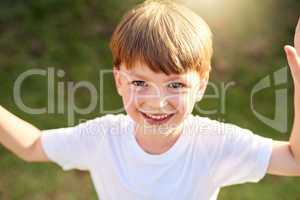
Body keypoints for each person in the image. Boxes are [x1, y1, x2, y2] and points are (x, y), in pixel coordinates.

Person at [0, 1, 300, 199]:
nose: (157, 102)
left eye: (175, 85)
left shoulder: (214, 143)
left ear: (201, 86)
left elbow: (294, 160)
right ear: (119, 81)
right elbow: (32, 146)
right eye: (140, 83)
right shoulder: (103, 137)